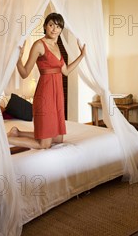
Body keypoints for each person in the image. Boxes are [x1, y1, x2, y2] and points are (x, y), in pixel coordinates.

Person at [8, 13, 86, 149]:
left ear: (61, 29)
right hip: (45, 94)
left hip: (57, 96)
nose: (54, 29)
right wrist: (18, 59)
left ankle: (17, 132)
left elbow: (65, 71)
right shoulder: (39, 45)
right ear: (45, 26)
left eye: (58, 26)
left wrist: (82, 55)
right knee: (45, 144)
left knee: (58, 138)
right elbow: (24, 73)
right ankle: (7, 139)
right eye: (51, 25)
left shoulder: (56, 46)